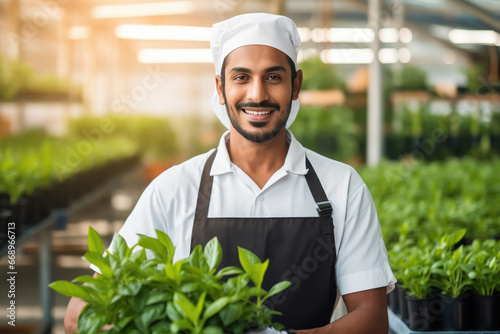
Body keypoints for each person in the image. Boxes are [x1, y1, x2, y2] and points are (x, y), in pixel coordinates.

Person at [65, 12, 396, 334]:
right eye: (241, 77)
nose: (257, 94)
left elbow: (371, 318)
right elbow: (81, 313)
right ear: (220, 88)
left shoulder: (341, 186)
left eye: (273, 77)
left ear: (296, 85)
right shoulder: (174, 189)